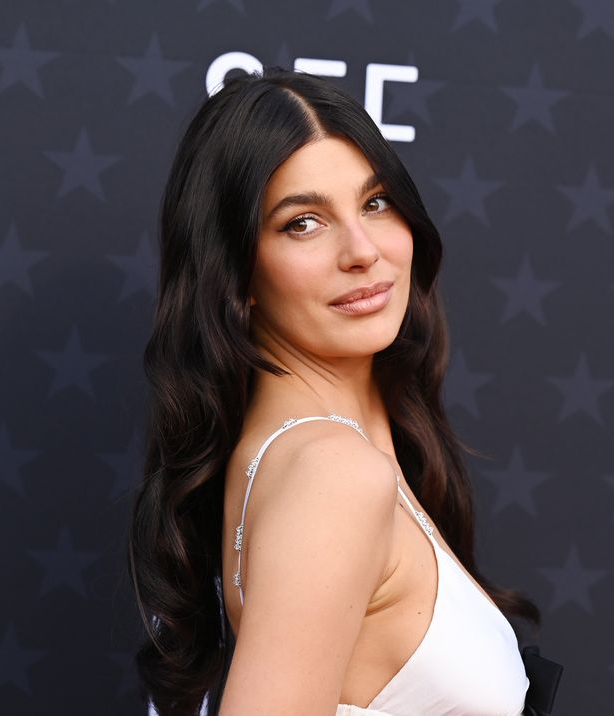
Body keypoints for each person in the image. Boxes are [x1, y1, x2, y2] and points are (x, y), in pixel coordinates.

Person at [128, 66, 546, 716]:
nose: (363, 250)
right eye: (303, 223)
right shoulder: (333, 473)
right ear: (236, 273)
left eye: (376, 202)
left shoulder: (326, 456)